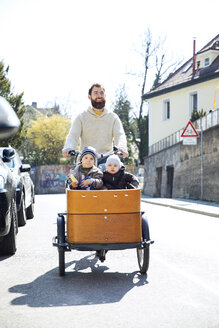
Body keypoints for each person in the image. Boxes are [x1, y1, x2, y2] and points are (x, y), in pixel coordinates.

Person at [62, 83, 128, 159]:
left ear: (105, 96)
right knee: (76, 171)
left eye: (101, 93)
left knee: (120, 170)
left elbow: (120, 135)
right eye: (95, 93)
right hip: (86, 158)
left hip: (107, 159)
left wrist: (122, 147)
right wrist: (68, 147)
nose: (99, 95)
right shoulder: (81, 117)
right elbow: (73, 135)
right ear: (89, 97)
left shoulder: (113, 117)